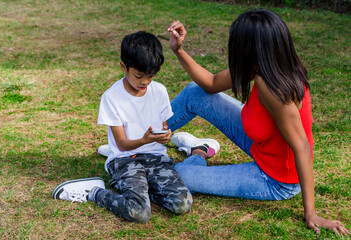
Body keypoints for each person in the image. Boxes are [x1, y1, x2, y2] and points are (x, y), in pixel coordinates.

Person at [166, 9, 349, 236]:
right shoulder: (265, 66)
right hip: (260, 144)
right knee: (195, 92)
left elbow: (302, 147)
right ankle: (142, 136)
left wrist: (310, 213)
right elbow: (211, 83)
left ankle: (199, 153)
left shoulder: (274, 90)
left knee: (179, 177)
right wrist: (178, 50)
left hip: (275, 179)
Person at [52, 31, 193, 223]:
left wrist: (165, 136)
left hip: (156, 158)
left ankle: (143, 188)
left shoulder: (159, 91)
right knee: (139, 212)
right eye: (139, 75)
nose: (145, 82)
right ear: (123, 67)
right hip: (126, 159)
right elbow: (121, 144)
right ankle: (95, 192)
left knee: (181, 204)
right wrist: (144, 140)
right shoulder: (112, 97)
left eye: (150, 76)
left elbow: (164, 127)